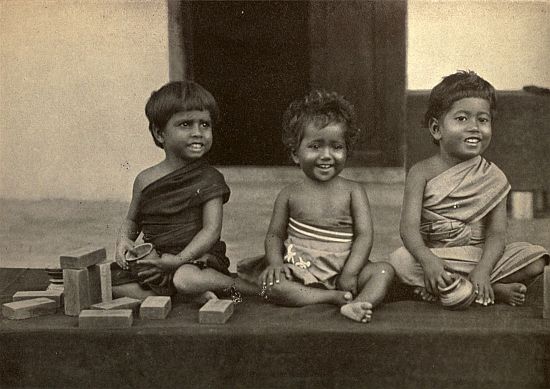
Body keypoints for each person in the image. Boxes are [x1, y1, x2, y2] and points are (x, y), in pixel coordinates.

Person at [389, 70, 548, 306]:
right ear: (436, 129)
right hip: (436, 257)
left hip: (476, 256)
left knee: (535, 259)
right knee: (399, 260)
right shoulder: (420, 172)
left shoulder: (494, 177)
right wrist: (428, 261)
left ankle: (457, 288)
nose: (475, 127)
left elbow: (496, 235)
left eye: (482, 120)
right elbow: (408, 228)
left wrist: (483, 270)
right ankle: (487, 291)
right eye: (462, 118)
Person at [238, 90, 394, 323]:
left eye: (336, 147)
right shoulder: (289, 194)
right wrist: (276, 263)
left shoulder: (354, 191)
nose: (326, 155)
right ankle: (330, 298)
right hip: (301, 270)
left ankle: (359, 303)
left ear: (347, 151)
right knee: (271, 286)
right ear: (295, 154)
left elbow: (364, 236)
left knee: (384, 272)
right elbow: (274, 234)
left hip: (345, 271)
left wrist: (351, 272)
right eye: (315, 147)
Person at [112, 81, 256, 301]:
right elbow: (132, 221)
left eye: (205, 124)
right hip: (157, 259)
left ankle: (241, 288)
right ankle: (187, 295)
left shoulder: (210, 178)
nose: (198, 133)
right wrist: (123, 241)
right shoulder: (144, 179)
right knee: (111, 286)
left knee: (185, 278)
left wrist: (179, 260)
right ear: (160, 133)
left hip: (195, 257)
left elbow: (211, 231)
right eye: (186, 124)